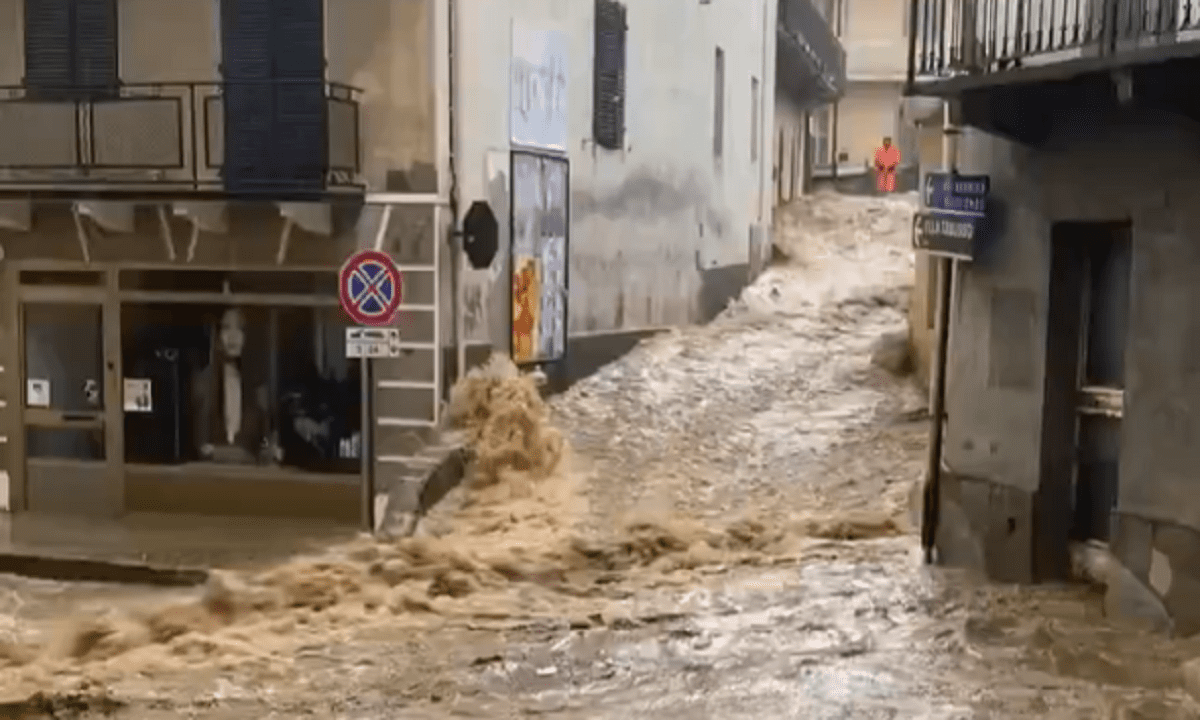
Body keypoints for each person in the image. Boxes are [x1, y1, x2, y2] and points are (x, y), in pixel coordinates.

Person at [191, 306, 277, 464]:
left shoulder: (258, 386)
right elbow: (200, 447)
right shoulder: (203, 382)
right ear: (217, 336)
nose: (233, 336)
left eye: (239, 329)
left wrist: (268, 450)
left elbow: (266, 442)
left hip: (249, 478)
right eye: (226, 328)